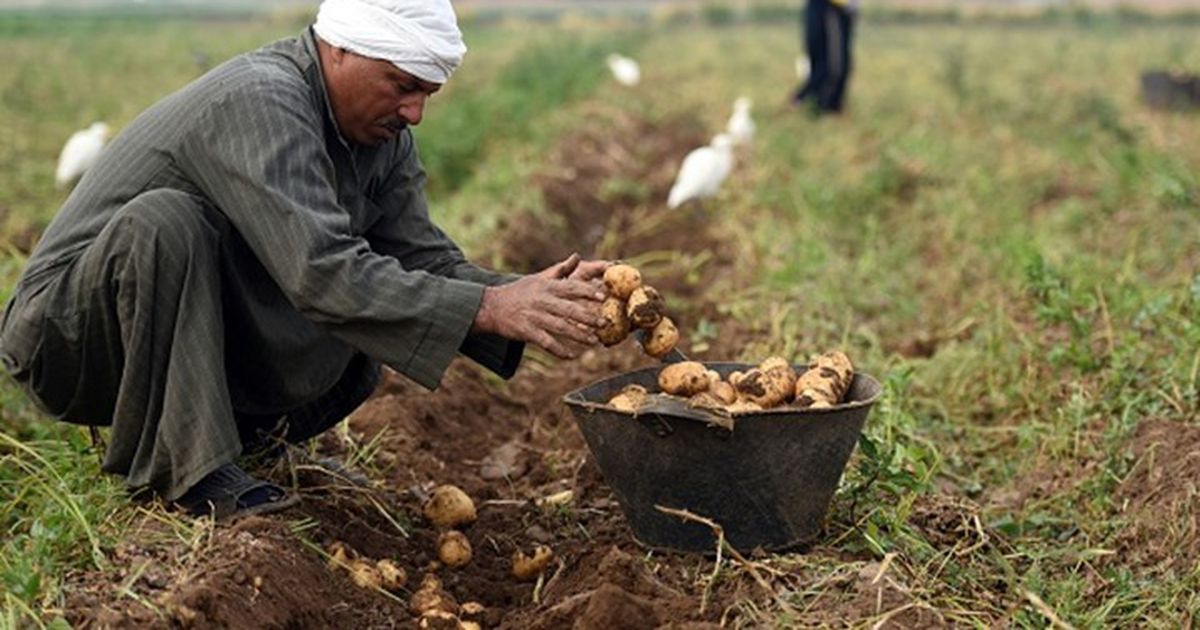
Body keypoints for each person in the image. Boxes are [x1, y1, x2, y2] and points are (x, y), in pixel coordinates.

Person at [0, 0, 610, 520]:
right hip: (68, 335)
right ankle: (186, 475)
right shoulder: (263, 98)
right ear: (339, 50)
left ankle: (243, 441)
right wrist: (490, 307)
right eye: (402, 86)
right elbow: (320, 272)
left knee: (369, 329)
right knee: (170, 221)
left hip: (158, 315)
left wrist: (531, 293)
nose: (415, 113)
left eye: (427, 93)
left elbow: (421, 258)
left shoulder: (382, 140)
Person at [792, 0, 857, 114]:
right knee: (830, 63)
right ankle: (810, 101)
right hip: (829, 6)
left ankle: (824, 104)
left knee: (836, 62)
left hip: (841, 7)